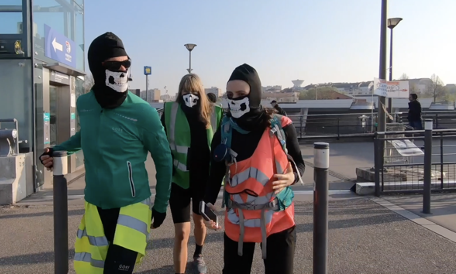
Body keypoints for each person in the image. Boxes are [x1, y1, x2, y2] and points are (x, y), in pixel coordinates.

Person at [39, 32, 172, 274]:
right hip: (95, 208)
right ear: (97, 68)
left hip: (133, 206)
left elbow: (164, 161)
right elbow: (87, 135)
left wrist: (161, 205)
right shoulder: (85, 104)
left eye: (126, 64)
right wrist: (58, 150)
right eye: (114, 65)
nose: (122, 69)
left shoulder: (144, 112)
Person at [203, 64, 305, 274]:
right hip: (238, 218)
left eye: (241, 94)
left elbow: (300, 164)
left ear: (255, 92)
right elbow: (215, 172)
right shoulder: (225, 130)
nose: (234, 99)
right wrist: (208, 204)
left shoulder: (281, 125)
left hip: (278, 218)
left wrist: (291, 177)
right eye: (230, 94)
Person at [161, 74, 223, 274]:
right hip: (178, 179)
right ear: (180, 92)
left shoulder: (215, 113)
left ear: (201, 92)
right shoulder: (170, 111)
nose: (189, 95)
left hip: (202, 181)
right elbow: (159, 144)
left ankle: (198, 254)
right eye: (185, 91)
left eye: (194, 91)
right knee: (181, 233)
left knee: (199, 221)